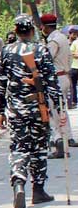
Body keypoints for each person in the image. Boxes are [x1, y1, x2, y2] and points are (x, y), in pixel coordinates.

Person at [0, 14, 66, 208]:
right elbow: (52, 82)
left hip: (16, 110)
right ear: (32, 31)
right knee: (39, 148)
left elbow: (1, 83)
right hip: (38, 108)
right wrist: (59, 109)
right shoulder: (41, 50)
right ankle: (38, 190)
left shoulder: (5, 52)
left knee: (19, 147)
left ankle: (19, 183)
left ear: (16, 31)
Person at [41, 13, 77, 158]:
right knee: (62, 110)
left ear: (44, 27)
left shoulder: (53, 41)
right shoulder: (62, 37)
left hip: (55, 79)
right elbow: (69, 58)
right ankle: (68, 137)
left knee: (54, 112)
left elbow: (46, 60)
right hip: (64, 76)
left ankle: (59, 143)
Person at [68, 26, 78, 105]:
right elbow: (70, 54)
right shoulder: (71, 43)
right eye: (73, 34)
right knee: (73, 86)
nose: (75, 35)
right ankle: (74, 100)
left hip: (74, 67)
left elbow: (71, 53)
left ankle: (74, 100)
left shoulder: (74, 42)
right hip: (73, 67)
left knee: (73, 85)